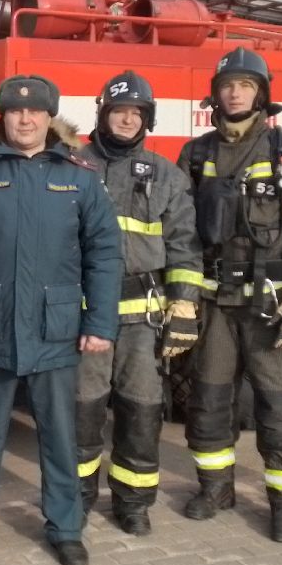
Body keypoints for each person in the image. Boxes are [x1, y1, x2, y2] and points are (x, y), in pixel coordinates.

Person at [0, 74, 121, 565]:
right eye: (15, 111)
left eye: (35, 112)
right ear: (3, 117)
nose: (26, 119)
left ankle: (66, 530)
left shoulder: (80, 177)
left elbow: (104, 254)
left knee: (60, 439)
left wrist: (100, 323)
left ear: (49, 118)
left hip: (55, 330)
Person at [177, 47, 282, 544]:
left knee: (281, 406)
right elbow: (180, 231)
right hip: (214, 304)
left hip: (273, 303)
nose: (235, 93)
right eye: (227, 85)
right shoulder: (196, 154)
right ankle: (215, 488)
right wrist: (182, 296)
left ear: (261, 94)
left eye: (245, 85)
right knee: (208, 401)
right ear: (215, 95)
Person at [76, 71, 203, 536]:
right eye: (119, 111)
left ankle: (133, 502)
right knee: (81, 407)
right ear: (103, 114)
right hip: (83, 315)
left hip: (142, 317)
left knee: (141, 408)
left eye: (136, 113)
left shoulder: (167, 175)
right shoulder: (71, 165)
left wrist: (184, 305)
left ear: (147, 119)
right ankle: (76, 496)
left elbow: (185, 246)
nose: (127, 120)